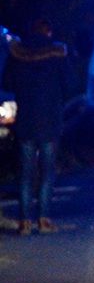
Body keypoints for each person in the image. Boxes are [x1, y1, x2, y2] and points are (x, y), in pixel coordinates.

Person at [4, 19, 70, 235]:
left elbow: (7, 83)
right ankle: (43, 219)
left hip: (26, 120)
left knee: (25, 172)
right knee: (47, 170)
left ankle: (24, 222)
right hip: (50, 119)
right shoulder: (56, 54)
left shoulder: (18, 55)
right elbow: (69, 83)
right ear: (48, 32)